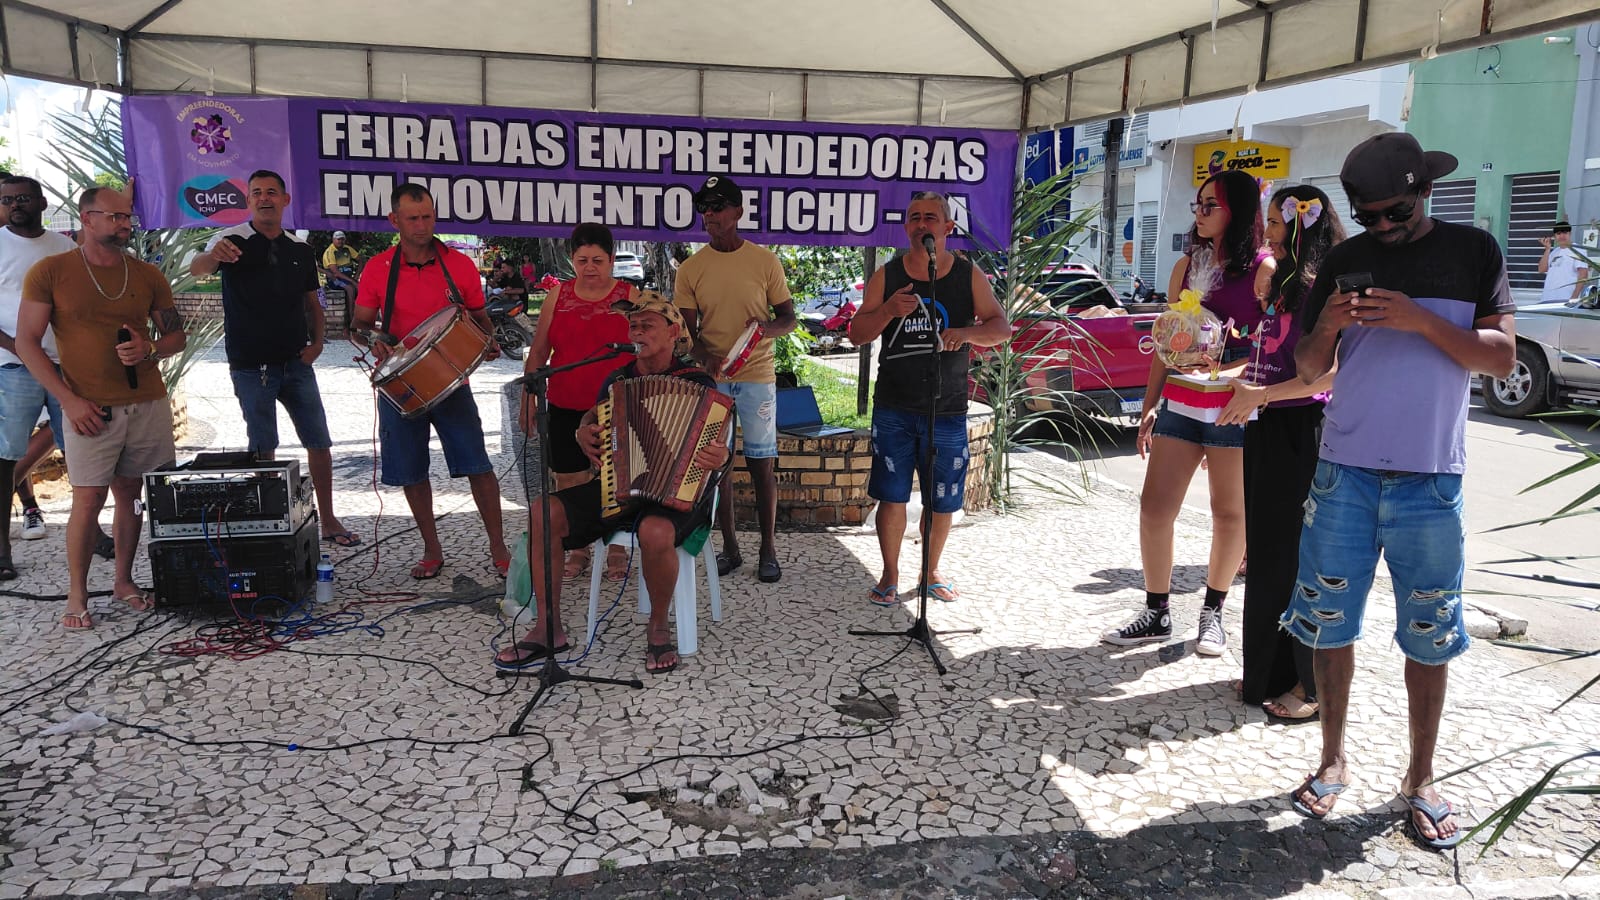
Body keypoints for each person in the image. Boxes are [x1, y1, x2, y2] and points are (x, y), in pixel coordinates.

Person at [1283, 133, 1516, 851]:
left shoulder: (1474, 251)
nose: (1382, 226)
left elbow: (1501, 358)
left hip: (1430, 479)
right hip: (1343, 473)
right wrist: (1328, 321)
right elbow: (1308, 366)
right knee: (1328, 627)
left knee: (1430, 635)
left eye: (1396, 212)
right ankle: (1332, 759)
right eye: (1369, 215)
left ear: (1425, 191)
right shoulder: (1344, 260)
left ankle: (1420, 778)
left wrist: (1420, 319)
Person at [495, 292, 729, 674]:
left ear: (673, 332)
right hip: (617, 484)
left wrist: (720, 456)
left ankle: (658, 626)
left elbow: (719, 443)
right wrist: (582, 431)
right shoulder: (618, 379)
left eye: (647, 325)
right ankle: (548, 628)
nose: (637, 332)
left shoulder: (697, 381)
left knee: (655, 530)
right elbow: (593, 416)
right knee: (543, 513)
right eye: (633, 326)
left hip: (679, 491)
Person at [1102, 169, 1271, 654]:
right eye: (1197, 204)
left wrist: (1224, 367)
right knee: (1155, 508)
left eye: (1209, 205)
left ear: (1237, 211)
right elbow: (1166, 342)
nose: (1199, 213)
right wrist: (1149, 406)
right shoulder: (1185, 266)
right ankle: (1156, 611)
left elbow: (1269, 350)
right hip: (1181, 402)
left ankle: (1213, 613)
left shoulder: (1264, 270)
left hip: (1234, 407)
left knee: (1229, 514)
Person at [16, 186, 188, 628]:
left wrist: (150, 348)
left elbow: (176, 337)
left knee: (131, 495)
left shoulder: (147, 274)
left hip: (146, 403)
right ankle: (76, 595)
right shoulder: (51, 271)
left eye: (127, 216)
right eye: (114, 216)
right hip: (87, 406)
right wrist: (68, 401)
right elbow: (27, 343)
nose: (125, 224)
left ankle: (123, 581)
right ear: (87, 218)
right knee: (88, 498)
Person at [1214, 185, 1344, 718]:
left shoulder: (1322, 290)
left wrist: (1260, 395)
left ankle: (1307, 685)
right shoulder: (1281, 281)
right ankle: (1264, 673)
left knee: (1296, 559)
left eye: (1274, 222)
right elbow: (1268, 356)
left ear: (1299, 226)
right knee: (1266, 555)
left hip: (1301, 429)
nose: (1265, 232)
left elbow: (1330, 375)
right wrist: (1231, 379)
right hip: (1266, 423)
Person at [848, 191, 1010, 606]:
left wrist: (967, 333)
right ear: (906, 227)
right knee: (892, 494)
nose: (922, 224)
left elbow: (1000, 328)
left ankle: (930, 571)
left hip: (948, 407)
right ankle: (889, 574)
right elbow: (857, 333)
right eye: (915, 217)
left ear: (948, 228)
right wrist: (887, 311)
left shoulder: (968, 275)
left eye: (931, 218)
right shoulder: (887, 275)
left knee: (942, 499)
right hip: (895, 406)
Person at [189, 170, 360, 548]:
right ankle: (270, 520)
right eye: (257, 192)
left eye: (271, 192)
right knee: (263, 445)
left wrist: (318, 344)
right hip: (251, 365)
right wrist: (212, 255)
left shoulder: (300, 249)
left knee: (319, 441)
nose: (264, 198)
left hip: (297, 363)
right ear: (248, 200)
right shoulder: (230, 240)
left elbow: (312, 302)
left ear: (285, 199)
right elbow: (198, 268)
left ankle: (329, 519)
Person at [350, 183, 509, 580]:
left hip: (452, 382)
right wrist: (375, 340)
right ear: (395, 220)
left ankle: (499, 548)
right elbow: (358, 326)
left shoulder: (459, 265)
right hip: (401, 384)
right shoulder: (378, 268)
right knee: (411, 469)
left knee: (477, 464)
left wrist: (488, 342)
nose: (421, 225)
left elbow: (478, 316)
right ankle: (431, 549)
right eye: (412, 218)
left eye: (427, 217)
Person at [675, 175, 797, 583]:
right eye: (704, 208)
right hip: (714, 381)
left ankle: (768, 550)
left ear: (738, 211)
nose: (709, 214)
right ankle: (730, 548)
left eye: (717, 206)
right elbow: (685, 334)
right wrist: (704, 357)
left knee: (762, 464)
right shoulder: (691, 269)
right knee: (718, 469)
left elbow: (788, 318)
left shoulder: (764, 262)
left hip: (757, 376)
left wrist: (764, 329)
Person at [522, 223, 638, 580]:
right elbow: (539, 351)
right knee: (569, 478)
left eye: (598, 260)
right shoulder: (558, 296)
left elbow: (646, 347)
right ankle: (578, 548)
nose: (590, 267)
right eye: (582, 260)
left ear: (611, 260)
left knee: (617, 479)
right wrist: (528, 400)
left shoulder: (630, 296)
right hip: (565, 401)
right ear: (572, 259)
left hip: (616, 405)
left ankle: (617, 548)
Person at [0, 175, 78, 579]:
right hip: (12, 367)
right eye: (7, 200)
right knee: (5, 458)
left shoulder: (64, 247)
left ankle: (93, 535)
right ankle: (2, 550)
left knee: (80, 451)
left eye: (23, 198)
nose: (15, 205)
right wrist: (20, 348)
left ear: (42, 203)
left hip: (65, 366)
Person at [1538, 221, 1588, 305]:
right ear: (1554, 236)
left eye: (1565, 232)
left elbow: (1583, 275)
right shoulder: (1554, 252)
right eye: (1558, 233)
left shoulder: (1578, 250)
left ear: (1570, 234)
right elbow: (1541, 269)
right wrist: (1547, 249)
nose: (1562, 236)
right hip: (1547, 299)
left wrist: (1574, 298)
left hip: (1566, 299)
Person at [321, 230, 360, 296]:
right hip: (335, 280)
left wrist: (356, 275)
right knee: (350, 288)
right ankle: (351, 303)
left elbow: (361, 260)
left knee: (361, 286)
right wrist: (352, 281)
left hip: (348, 278)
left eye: (342, 239)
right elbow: (336, 272)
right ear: (333, 240)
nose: (340, 241)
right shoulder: (330, 252)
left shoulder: (347, 248)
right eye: (338, 239)